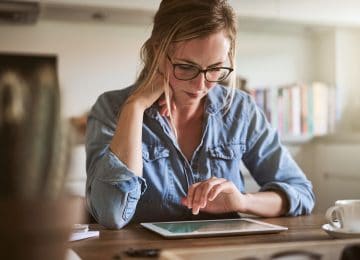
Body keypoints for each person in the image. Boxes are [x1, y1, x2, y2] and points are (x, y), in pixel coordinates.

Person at [85, 0, 315, 229]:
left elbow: (301, 193)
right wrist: (135, 107)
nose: (200, 85)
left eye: (215, 69)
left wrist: (243, 201)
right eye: (186, 67)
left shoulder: (240, 110)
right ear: (157, 50)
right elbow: (111, 214)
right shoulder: (112, 109)